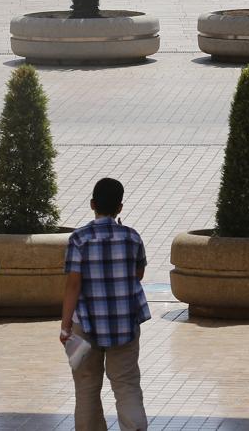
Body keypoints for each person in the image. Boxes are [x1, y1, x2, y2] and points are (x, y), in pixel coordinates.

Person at [60, 178, 150, 431]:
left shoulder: (79, 239)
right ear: (120, 208)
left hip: (85, 326)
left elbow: (73, 285)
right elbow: (139, 274)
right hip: (125, 324)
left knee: (86, 388)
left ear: (92, 204)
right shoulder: (132, 237)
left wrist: (65, 326)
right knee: (127, 385)